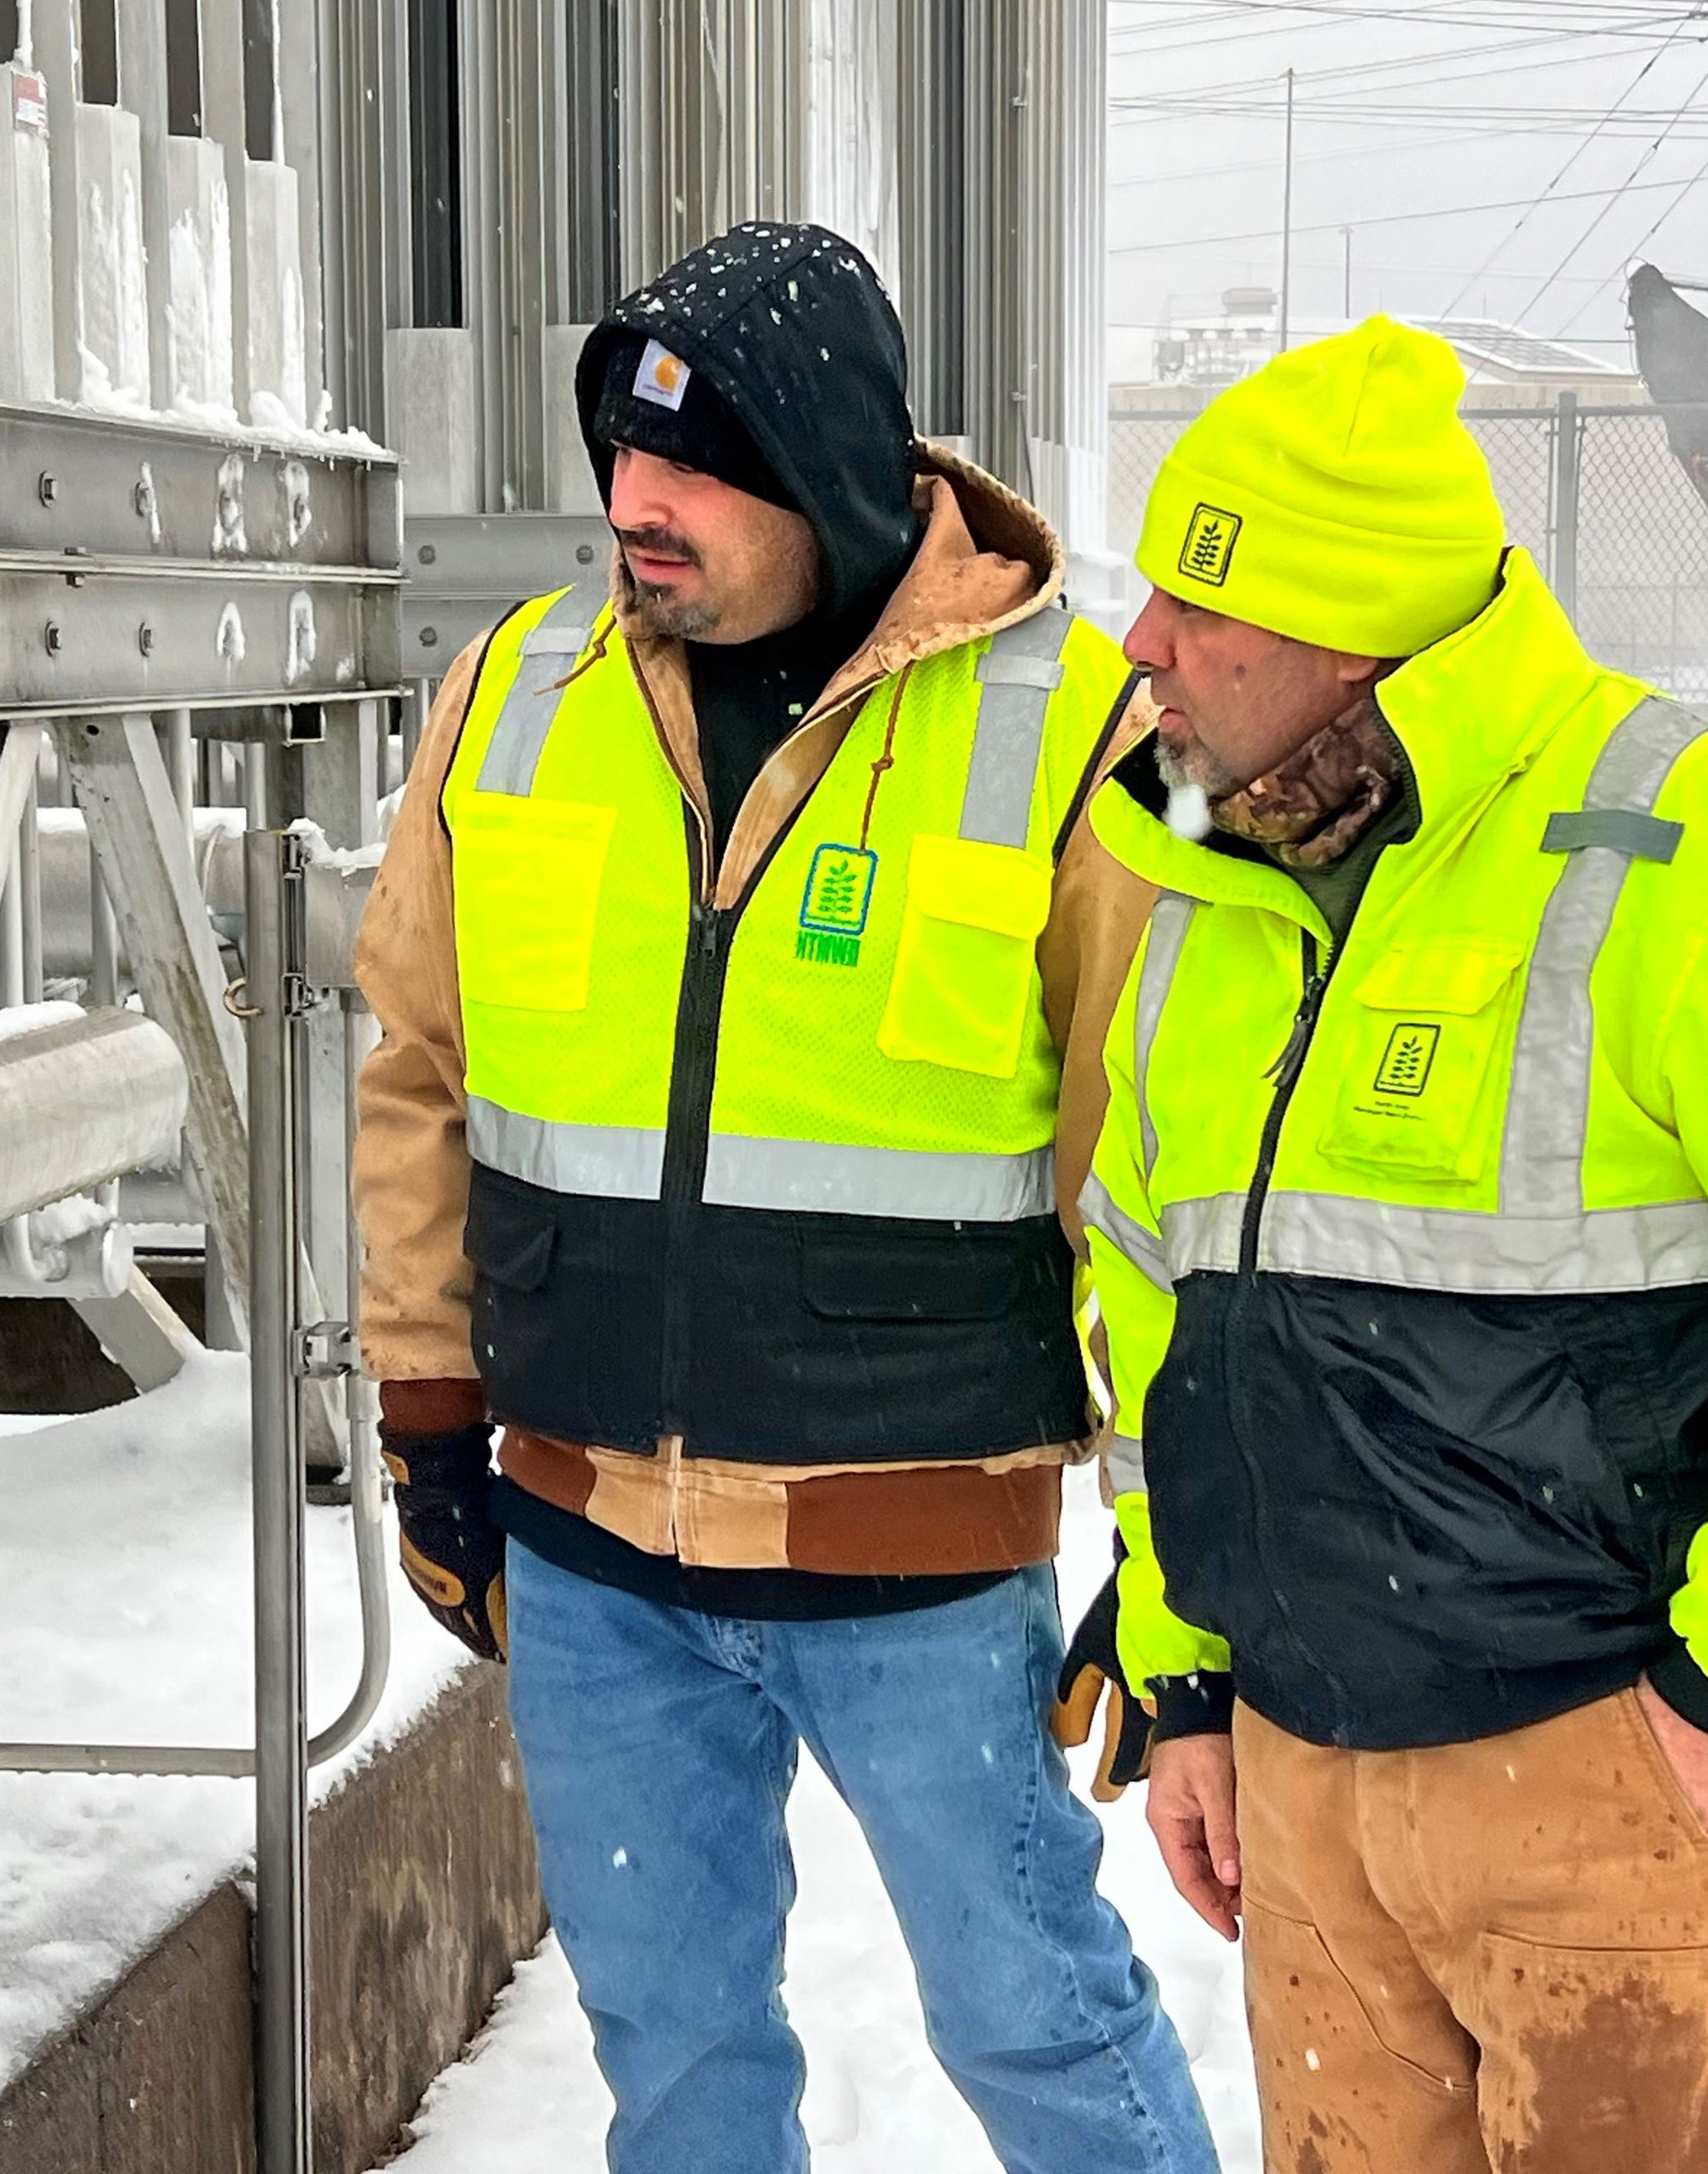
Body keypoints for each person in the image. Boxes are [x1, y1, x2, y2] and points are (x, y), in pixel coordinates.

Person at [352, 220, 1218, 2174]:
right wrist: (424, 1405)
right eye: (618, 458)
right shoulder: (520, 690)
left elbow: (1167, 1187)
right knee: (674, 2055)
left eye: (693, 466)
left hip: (914, 1560)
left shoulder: (1071, 727)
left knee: (1038, 2027)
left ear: (827, 467)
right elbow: (417, 1066)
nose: (632, 509)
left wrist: (1176, 1565)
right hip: (593, 1565)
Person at [1068, 314, 1708, 2172]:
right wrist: (1184, 1681)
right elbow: (1158, 1319)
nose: (1142, 645)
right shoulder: (1208, 884)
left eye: (1199, 597)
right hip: (1303, 1789)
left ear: (1351, 625)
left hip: (1612, 1775)